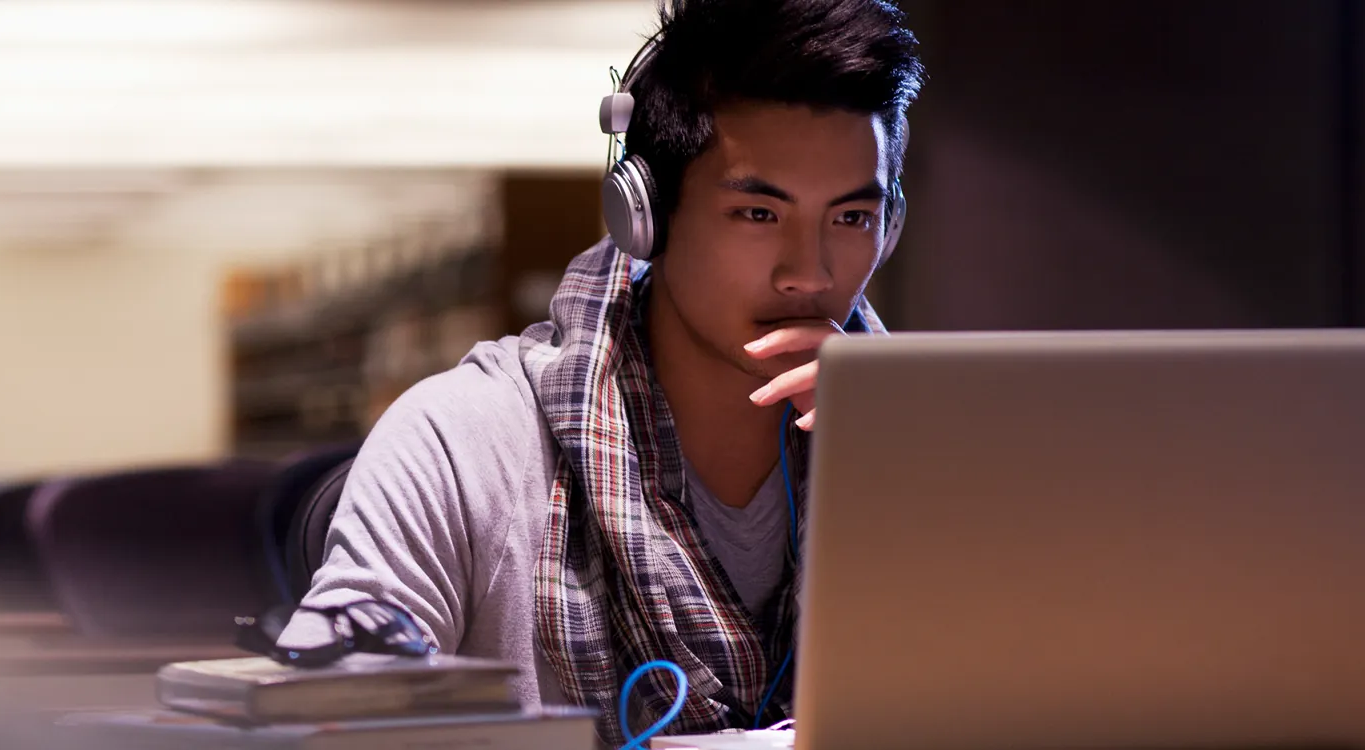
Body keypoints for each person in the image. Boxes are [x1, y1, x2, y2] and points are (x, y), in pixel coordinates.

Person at [282, 0, 924, 743]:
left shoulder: (924, 449)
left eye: (851, 219)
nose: (807, 274)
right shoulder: (463, 442)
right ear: (643, 215)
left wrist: (912, 473)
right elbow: (327, 720)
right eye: (758, 214)